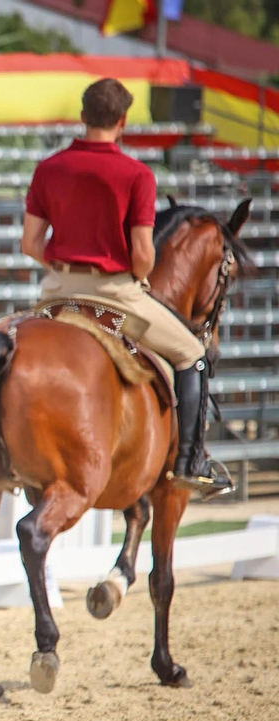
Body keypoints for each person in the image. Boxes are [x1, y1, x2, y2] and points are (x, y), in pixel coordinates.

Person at [22, 78, 229, 496]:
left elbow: (30, 244)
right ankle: (192, 461)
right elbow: (141, 255)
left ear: (82, 118)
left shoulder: (49, 168)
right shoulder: (136, 174)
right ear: (123, 121)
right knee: (192, 354)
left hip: (57, 288)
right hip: (115, 290)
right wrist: (133, 271)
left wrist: (65, 267)